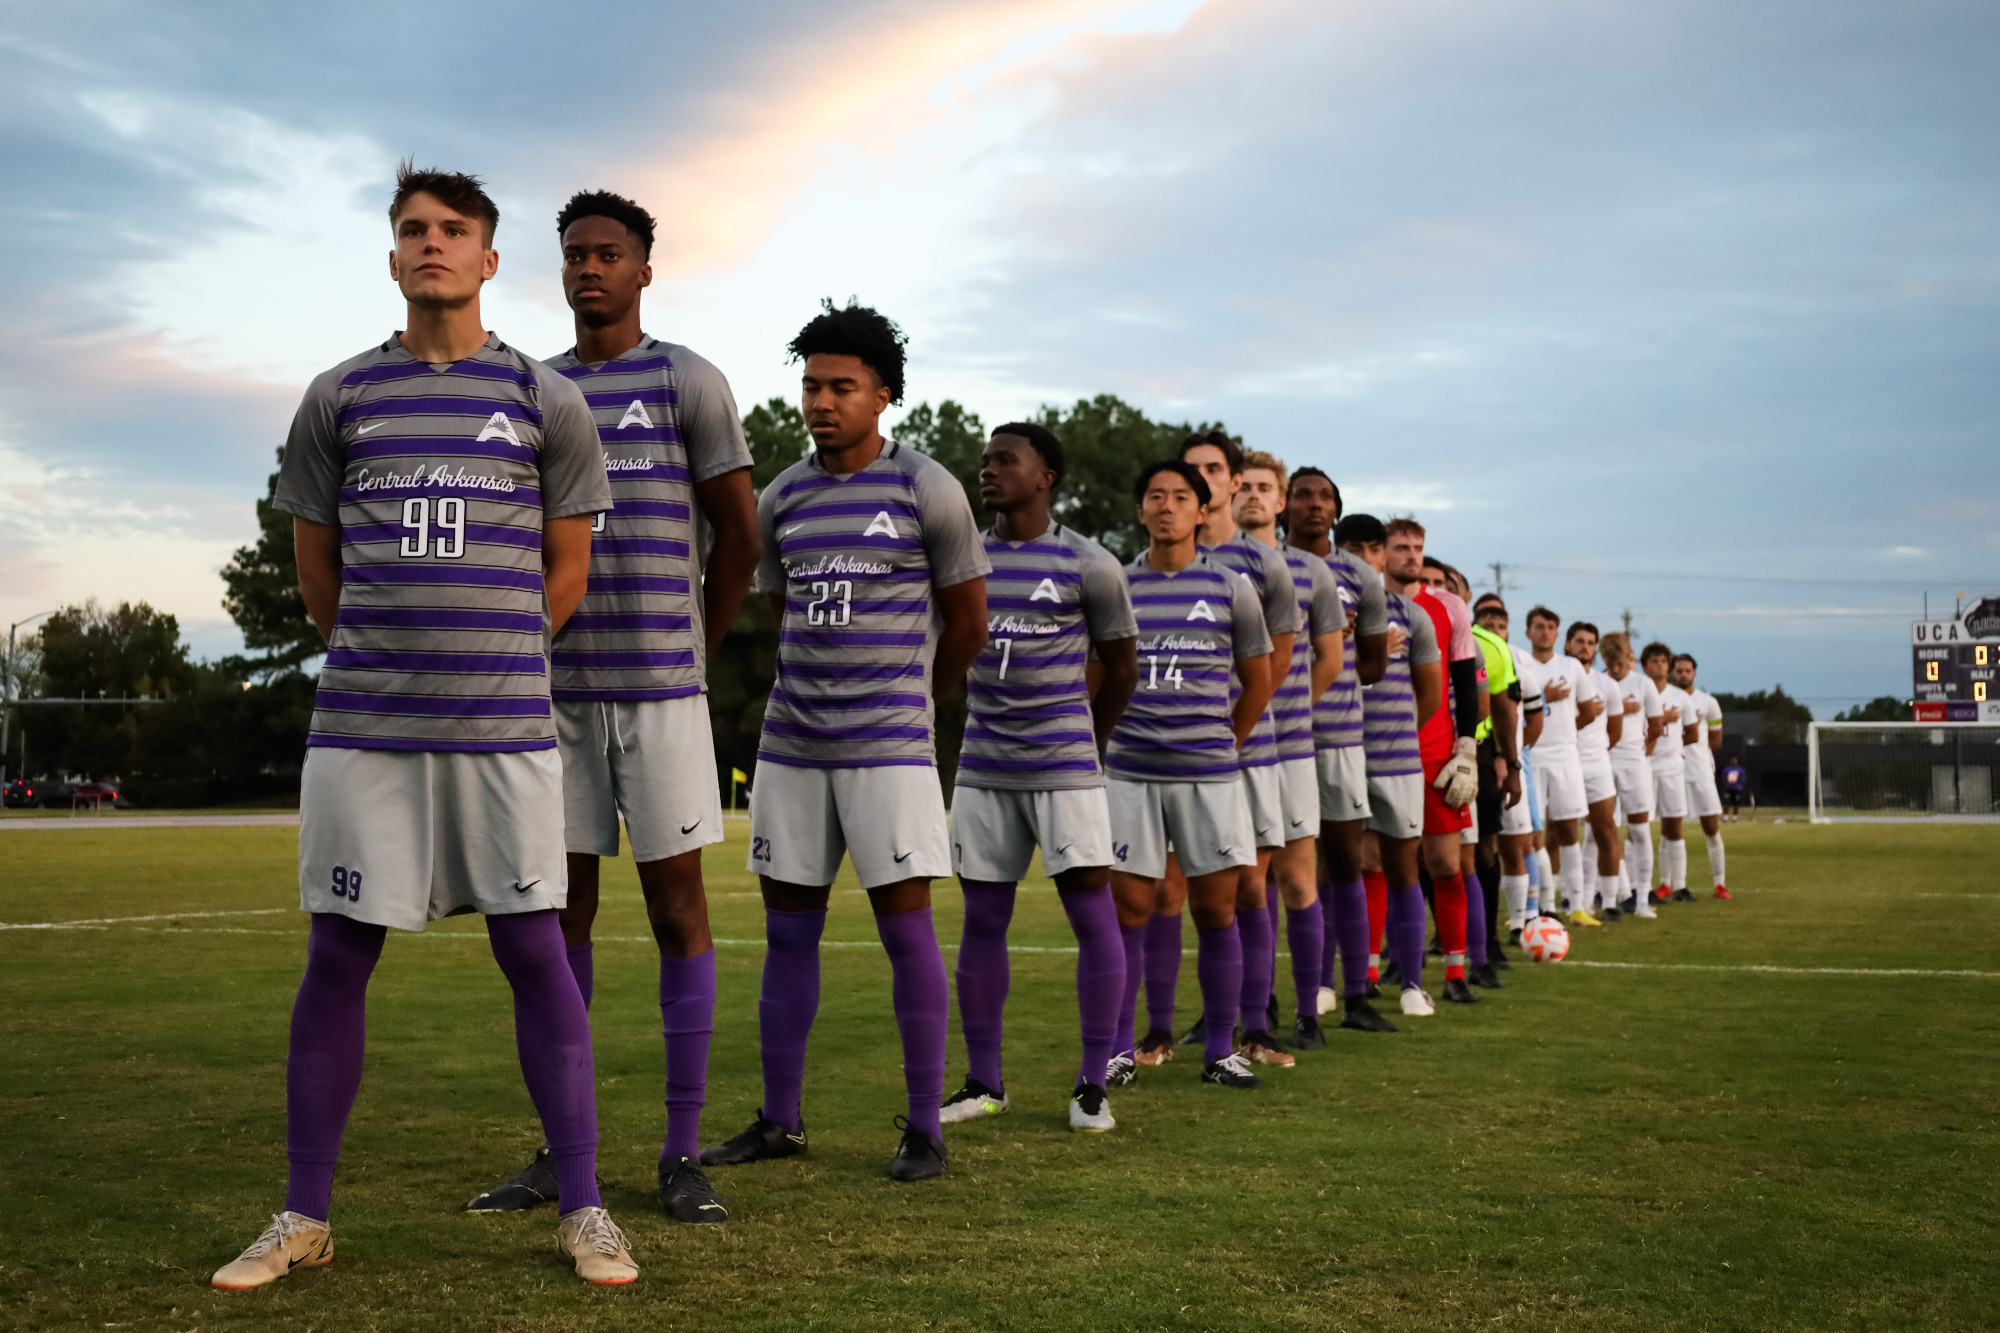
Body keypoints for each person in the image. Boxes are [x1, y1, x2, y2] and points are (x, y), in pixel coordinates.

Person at [215, 164, 637, 1289]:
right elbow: (318, 578)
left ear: (490, 261)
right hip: (365, 731)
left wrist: (490, 655)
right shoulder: (339, 395)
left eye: (453, 230)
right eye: (412, 230)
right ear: (392, 255)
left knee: (535, 953)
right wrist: (391, 657)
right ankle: (304, 1212)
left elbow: (567, 571)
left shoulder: (546, 401)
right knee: (336, 959)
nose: (431, 244)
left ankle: (586, 1205)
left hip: (504, 732)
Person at [465, 190, 760, 1224]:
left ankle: (681, 1152)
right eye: (575, 256)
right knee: (557, 917)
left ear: (644, 268)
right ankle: (561, 1147)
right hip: (555, 699)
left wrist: (697, 646)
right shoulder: (534, 390)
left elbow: (740, 538)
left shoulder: (688, 380)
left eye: (608, 254)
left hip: (664, 696)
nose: (589, 270)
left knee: (679, 910)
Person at [702, 300, 989, 1182]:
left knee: (907, 935)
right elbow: (785, 614)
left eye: (842, 387)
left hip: (892, 751)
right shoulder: (780, 497)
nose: (821, 401)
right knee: (789, 937)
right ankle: (779, 1120)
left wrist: (913, 702)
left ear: (883, 396)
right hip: (793, 748)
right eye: (811, 385)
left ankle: (924, 1128)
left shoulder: (926, 488)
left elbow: (968, 624)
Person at [942, 423, 1139, 1133]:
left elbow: (1122, 670)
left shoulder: (1090, 563)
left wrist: (1089, 740)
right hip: (984, 769)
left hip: (1066, 772)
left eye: (1006, 459)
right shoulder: (963, 559)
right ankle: (984, 1081)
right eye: (986, 459)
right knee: (982, 920)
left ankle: (1093, 1084)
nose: (989, 469)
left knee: (1093, 916)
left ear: (1046, 476)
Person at [1105, 460, 1275, 1089]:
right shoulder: (1115, 584)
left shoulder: (1232, 587)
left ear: (1202, 512)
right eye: (1156, 496)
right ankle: (1119, 1049)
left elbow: (1258, 682)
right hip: (1131, 772)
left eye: (1181, 497)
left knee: (1215, 909)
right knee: (1130, 907)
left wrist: (1221, 743)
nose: (1167, 506)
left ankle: (1220, 1051)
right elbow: (1098, 676)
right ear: (1141, 510)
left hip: (1209, 775)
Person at [1168, 432, 1300, 1065]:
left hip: (1250, 751)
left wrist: (1229, 734)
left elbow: (1276, 665)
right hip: (1173, 757)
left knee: (1251, 885)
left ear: (1229, 480)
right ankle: (1186, 1025)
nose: (1203, 481)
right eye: (1190, 471)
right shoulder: (1156, 563)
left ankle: (1257, 1022)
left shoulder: (1263, 566)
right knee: (1181, 890)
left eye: (1214, 470)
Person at [1234, 450, 1345, 1047]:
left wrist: (1284, 709)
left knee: (1298, 879)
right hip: (1229, 748)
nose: (1252, 495)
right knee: (1238, 882)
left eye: (1264, 487)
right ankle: (1252, 1007)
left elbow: (1330, 660)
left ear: (1281, 501)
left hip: (1292, 749)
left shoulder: (1310, 572)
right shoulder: (1207, 566)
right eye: (1243, 485)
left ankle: (1306, 1010)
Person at [1284, 470, 1396, 1034]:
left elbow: (1374, 665)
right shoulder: (1262, 566)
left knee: (1345, 864)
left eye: (1324, 497)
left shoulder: (1361, 578)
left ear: (1336, 509)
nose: (1313, 504)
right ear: (1285, 505)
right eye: (1302, 495)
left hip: (1338, 738)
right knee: (1252, 873)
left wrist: (1339, 651)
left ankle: (1356, 995)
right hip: (1272, 740)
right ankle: (1250, 1004)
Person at [1338, 515, 1445, 1017]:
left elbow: (1428, 697)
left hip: (1397, 760)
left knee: (1404, 870)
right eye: (1352, 548)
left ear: (1382, 557)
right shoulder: (1323, 609)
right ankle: (1331, 982)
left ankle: (1411, 985)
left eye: (1372, 549)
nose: (1364, 557)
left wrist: (1396, 733)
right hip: (1338, 756)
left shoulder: (1414, 618)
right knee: (1338, 870)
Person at [1382, 520, 1483, 1005]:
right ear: (1383, 552)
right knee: (1372, 864)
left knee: (1445, 863)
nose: (1412, 555)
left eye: (1418, 547)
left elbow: (1465, 682)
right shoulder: (1365, 601)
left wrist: (1468, 748)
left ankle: (1456, 972)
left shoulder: (1449, 607)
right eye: (1402, 546)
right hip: (1380, 751)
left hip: (1437, 752)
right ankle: (1369, 975)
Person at [1473, 596, 1544, 940]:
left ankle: (1521, 921)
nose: (1496, 632)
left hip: (1510, 759)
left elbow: (1531, 719)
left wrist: (1513, 757)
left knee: (1518, 842)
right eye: (1489, 627)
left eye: (1501, 626)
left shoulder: (1522, 664)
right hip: (1481, 755)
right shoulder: (1467, 648)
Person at [1523, 606, 1596, 926]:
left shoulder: (1572, 667)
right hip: (1532, 757)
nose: (1545, 632)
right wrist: (1543, 697)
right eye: (1539, 626)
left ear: (1557, 634)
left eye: (1551, 627)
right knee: (1534, 835)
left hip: (1566, 758)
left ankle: (1577, 905)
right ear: (1528, 632)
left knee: (1568, 830)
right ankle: (1544, 905)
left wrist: (1564, 732)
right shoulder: (1520, 663)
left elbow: (1589, 711)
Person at [1566, 622, 1628, 921]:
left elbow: (1615, 732)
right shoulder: (1558, 675)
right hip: (1563, 760)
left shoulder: (1608, 686)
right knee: (1558, 832)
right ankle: (1561, 900)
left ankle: (1610, 901)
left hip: (1596, 764)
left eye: (1591, 642)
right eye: (1579, 641)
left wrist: (1596, 751)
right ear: (1568, 645)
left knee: (1605, 830)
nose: (1585, 647)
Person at [1600, 632, 1662, 920]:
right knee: (1603, 830)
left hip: (1634, 764)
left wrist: (1641, 754)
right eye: (1610, 663)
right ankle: (1612, 897)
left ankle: (1641, 901)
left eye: (1620, 662)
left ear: (1628, 657)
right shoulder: (1598, 683)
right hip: (1603, 761)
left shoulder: (1643, 683)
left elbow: (1657, 725)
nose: (1615, 669)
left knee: (1639, 830)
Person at [1671, 654, 1732, 898]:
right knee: (1670, 828)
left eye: (1687, 670)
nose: (1683, 674)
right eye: (1679, 670)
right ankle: (1670, 883)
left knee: (1710, 826)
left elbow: (1716, 739)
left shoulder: (1708, 702)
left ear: (1694, 673)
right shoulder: (1664, 699)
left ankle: (1719, 883)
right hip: (1672, 769)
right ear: (1673, 673)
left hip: (1700, 770)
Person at [1640, 642, 1693, 903]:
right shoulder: (1639, 692)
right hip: (1644, 766)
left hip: (1672, 767)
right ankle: (1644, 886)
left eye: (1663, 661)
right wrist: (1661, 720)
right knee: (1641, 827)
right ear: (1644, 666)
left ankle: (1680, 885)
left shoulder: (1680, 697)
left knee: (1674, 826)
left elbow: (1692, 732)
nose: (1659, 666)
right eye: (1654, 661)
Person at [1721, 756, 1749, 820]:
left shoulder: (1740, 770)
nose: (1733, 761)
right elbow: (1723, 778)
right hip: (1729, 788)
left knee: (1736, 803)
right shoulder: (1727, 769)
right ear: (1730, 761)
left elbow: (1743, 779)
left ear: (1737, 761)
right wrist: (1727, 779)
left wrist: (1736, 778)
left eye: (1735, 760)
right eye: (1732, 760)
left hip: (1737, 789)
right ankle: (1725, 816)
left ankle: (1735, 816)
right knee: (1726, 802)